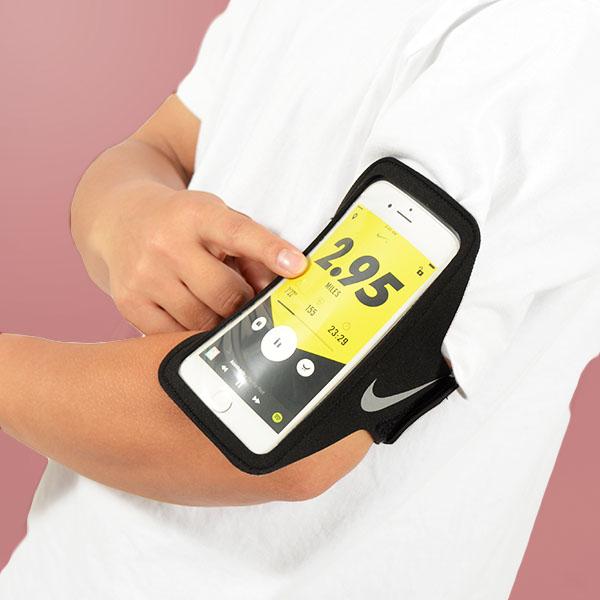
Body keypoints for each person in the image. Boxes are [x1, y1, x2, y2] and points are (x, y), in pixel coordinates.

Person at [1, 1, 599, 598]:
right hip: (65, 564)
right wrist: (125, 211)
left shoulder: (553, 39)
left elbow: (279, 432)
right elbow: (164, 145)